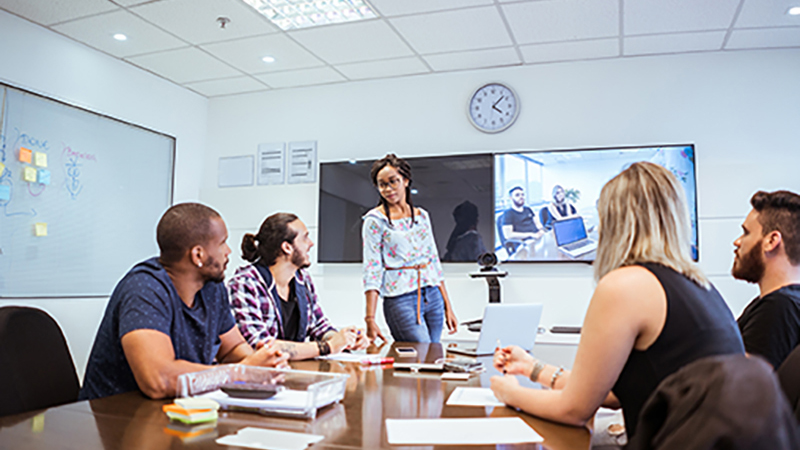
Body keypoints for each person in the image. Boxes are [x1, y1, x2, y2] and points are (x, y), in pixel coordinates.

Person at [490, 162, 744, 440]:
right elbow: (610, 394)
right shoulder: (697, 284)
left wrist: (510, 393)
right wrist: (531, 367)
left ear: (612, 223)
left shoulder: (626, 285)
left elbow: (574, 410)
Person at [80, 203, 288, 401]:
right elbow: (158, 380)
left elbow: (232, 348)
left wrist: (261, 364)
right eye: (222, 243)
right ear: (198, 255)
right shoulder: (143, 290)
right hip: (114, 417)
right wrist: (241, 372)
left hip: (177, 413)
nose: (228, 251)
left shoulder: (212, 288)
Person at [228, 213, 369, 360]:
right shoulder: (245, 284)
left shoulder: (303, 279)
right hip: (261, 373)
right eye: (305, 238)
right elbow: (261, 347)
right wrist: (327, 347)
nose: (311, 243)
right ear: (287, 247)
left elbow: (319, 326)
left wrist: (345, 339)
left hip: (293, 370)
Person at [362, 154, 458, 343]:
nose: (388, 189)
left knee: (434, 354)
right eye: (382, 184)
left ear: (405, 181)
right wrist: (370, 318)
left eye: (393, 181)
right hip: (401, 298)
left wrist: (448, 306)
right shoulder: (375, 221)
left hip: (432, 294)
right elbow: (372, 269)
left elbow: (433, 260)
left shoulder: (422, 216)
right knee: (420, 352)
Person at [732, 190, 800, 369]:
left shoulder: (779, 308)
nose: (737, 242)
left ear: (771, 241)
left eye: (746, 233)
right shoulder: (786, 303)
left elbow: (746, 382)